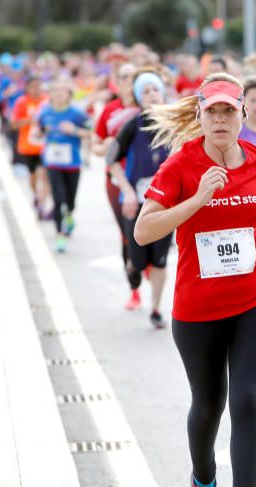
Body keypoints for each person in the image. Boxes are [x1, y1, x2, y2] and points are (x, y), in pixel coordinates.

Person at [134, 73, 256, 487]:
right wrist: (198, 198)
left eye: (230, 111)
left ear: (243, 114)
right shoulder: (181, 166)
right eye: (213, 112)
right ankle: (203, 484)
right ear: (200, 116)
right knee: (209, 405)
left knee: (247, 399)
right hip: (198, 308)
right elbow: (144, 231)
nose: (221, 120)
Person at [108, 70, 172, 329]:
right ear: (138, 97)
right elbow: (111, 160)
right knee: (138, 259)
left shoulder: (173, 125)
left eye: (155, 89)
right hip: (135, 200)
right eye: (145, 91)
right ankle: (133, 268)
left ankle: (155, 309)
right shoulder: (131, 125)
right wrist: (128, 190)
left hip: (165, 204)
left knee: (160, 259)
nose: (152, 94)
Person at [91, 63, 144, 309]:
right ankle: (134, 288)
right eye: (123, 76)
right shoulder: (110, 110)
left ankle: (147, 264)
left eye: (133, 77)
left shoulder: (147, 107)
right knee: (127, 234)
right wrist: (111, 145)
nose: (128, 81)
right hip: (116, 179)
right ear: (116, 80)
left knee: (152, 234)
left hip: (147, 180)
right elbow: (97, 145)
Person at [33, 78, 92, 253]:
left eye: (63, 90)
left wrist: (74, 130)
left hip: (72, 163)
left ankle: (70, 214)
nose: (59, 94)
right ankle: (60, 234)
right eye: (55, 90)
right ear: (50, 94)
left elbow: (91, 132)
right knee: (58, 200)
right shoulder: (44, 113)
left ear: (69, 94)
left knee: (70, 201)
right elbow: (38, 130)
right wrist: (38, 133)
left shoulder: (77, 114)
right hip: (52, 162)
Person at [10, 76, 50, 218]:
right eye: (33, 86)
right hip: (28, 146)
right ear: (27, 88)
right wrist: (29, 121)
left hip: (45, 146)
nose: (36, 89)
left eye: (38, 86)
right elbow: (14, 124)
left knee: (44, 175)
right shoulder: (22, 102)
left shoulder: (46, 101)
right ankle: (36, 195)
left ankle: (42, 204)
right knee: (33, 175)